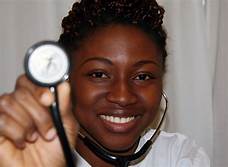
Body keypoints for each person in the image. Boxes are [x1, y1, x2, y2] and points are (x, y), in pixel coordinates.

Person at [0, 0, 210, 166]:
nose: (123, 96)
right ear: (66, 81)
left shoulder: (181, 156)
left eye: (143, 76)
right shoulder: (27, 154)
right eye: (99, 74)